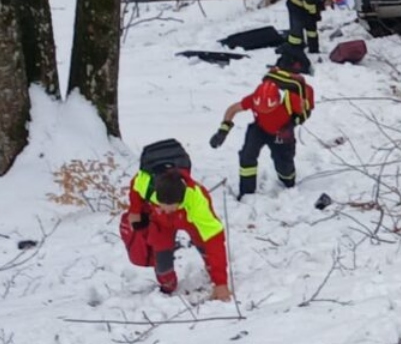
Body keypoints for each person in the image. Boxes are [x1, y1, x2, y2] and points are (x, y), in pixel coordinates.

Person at [210, 46, 315, 199]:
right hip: (260, 129)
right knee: (247, 156)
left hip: (282, 132)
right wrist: (223, 131)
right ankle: (246, 192)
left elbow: (304, 112)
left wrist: (292, 125)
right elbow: (233, 109)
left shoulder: (291, 99)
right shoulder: (255, 98)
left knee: (284, 165)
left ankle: (288, 185)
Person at [125, 166, 231, 301]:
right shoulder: (148, 186)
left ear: (180, 202)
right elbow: (136, 182)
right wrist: (135, 210)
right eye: (162, 206)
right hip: (161, 224)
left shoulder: (197, 202)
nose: (167, 210)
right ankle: (167, 285)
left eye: (172, 208)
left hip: (190, 220)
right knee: (163, 267)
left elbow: (214, 241)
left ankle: (213, 273)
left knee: (206, 247)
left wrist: (221, 283)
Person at [285, 0, 350, 54]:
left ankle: (313, 49)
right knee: (298, 24)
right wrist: (317, 14)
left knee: (312, 28)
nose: (332, 1)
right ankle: (294, 50)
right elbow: (311, 12)